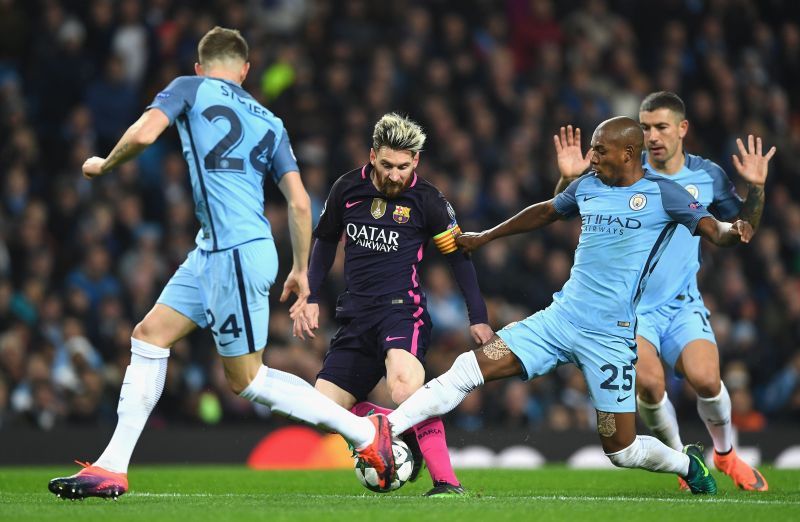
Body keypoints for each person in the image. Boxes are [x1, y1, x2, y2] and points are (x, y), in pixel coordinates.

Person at [48, 27, 394, 500]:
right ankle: (112, 465)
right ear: (246, 71)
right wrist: (299, 269)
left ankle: (365, 435)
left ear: (199, 67)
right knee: (150, 336)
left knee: (247, 380)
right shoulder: (270, 121)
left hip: (234, 251)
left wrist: (105, 164)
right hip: (214, 250)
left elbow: (147, 131)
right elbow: (297, 202)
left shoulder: (189, 88)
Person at [385, 116, 758, 495]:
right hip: (560, 320)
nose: (591, 156)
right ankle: (385, 432)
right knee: (469, 367)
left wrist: (735, 229)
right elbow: (546, 210)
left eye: (599, 149)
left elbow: (716, 230)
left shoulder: (665, 194)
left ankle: (686, 464)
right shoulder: (588, 186)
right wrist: (484, 237)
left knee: (622, 450)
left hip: (610, 339)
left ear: (628, 152)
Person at [552, 91, 774, 491]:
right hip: (632, 310)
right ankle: (684, 463)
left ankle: (725, 455)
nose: (651, 135)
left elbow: (742, 227)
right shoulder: (619, 174)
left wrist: (756, 190)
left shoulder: (707, 176)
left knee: (707, 380)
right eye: (645, 127)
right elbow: (564, 208)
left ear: (682, 129)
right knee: (650, 385)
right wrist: (568, 177)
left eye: (661, 127)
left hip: (681, 304)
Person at [292, 113, 493, 497]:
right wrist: (310, 296)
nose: (395, 175)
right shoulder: (346, 189)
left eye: (403, 166)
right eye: (386, 165)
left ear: (415, 161)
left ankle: (446, 483)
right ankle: (397, 429)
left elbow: (458, 259)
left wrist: (478, 316)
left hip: (402, 311)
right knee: (321, 408)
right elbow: (324, 243)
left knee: (404, 388)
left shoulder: (428, 200)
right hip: (354, 316)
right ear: (372, 156)